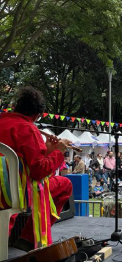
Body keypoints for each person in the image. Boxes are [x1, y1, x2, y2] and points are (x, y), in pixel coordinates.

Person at [0, 87, 73, 250]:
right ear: (38, 114)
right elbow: (38, 171)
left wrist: (47, 149)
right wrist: (59, 152)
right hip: (12, 191)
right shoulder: (28, 129)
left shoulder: (2, 120)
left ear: (15, 106)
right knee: (64, 184)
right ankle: (29, 238)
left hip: (2, 190)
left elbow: (21, 158)